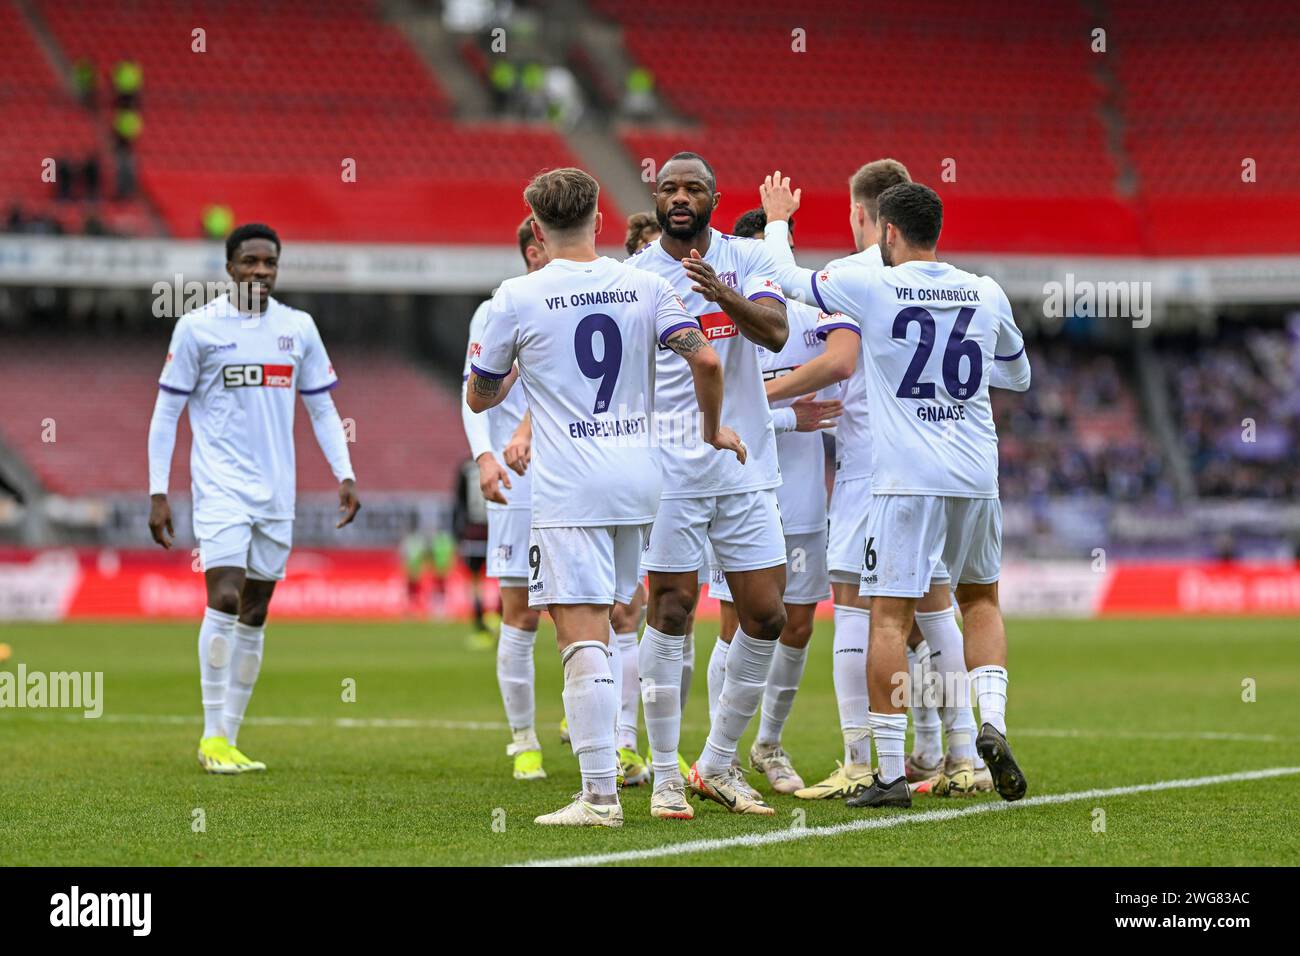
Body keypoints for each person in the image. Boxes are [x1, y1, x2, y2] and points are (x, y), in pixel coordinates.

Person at [466, 167, 738, 826]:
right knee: (627, 621)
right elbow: (705, 359)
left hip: (572, 485)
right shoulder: (644, 284)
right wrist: (711, 428)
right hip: (641, 480)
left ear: (537, 227)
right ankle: (651, 766)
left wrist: (508, 384)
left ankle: (598, 796)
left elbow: (479, 393)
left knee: (579, 632)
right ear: (599, 222)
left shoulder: (515, 296)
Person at [761, 166, 994, 798]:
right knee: (939, 605)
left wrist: (762, 399)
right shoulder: (947, 282)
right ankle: (962, 752)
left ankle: (863, 761)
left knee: (860, 611)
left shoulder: (860, 279)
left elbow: (835, 353)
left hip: (875, 471)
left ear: (865, 217)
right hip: (945, 468)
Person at [806, 182, 1031, 808]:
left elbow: (802, 286)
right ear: (938, 231)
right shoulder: (985, 290)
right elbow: (1019, 373)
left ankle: (886, 775)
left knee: (888, 617)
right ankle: (992, 725)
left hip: (906, 478)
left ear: (887, 232)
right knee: (980, 601)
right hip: (977, 475)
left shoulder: (872, 285)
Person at [147, 223, 360, 774]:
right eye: (250, 262)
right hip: (219, 489)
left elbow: (321, 409)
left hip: (276, 494)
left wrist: (346, 473)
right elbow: (167, 412)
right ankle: (212, 735)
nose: (260, 271)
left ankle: (229, 738)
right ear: (229, 268)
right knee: (223, 598)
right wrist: (158, 490)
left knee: (256, 610)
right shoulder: (197, 329)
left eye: (270, 263)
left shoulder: (299, 328)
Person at [626, 152, 791, 817]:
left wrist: (721, 291)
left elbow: (777, 333)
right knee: (670, 611)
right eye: (669, 188)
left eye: (694, 187)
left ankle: (718, 762)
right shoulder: (634, 277)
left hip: (746, 466)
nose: (681, 197)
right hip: (670, 471)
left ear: (716, 197)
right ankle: (666, 774)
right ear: (657, 199)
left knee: (767, 614)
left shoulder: (749, 259)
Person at [704, 208, 842, 794]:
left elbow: (839, 374)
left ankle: (769, 743)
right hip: (741, 487)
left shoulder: (812, 318)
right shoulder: (722, 320)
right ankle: (721, 753)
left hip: (806, 495)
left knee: (799, 625)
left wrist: (769, 400)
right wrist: (786, 412)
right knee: (737, 624)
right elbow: (720, 402)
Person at [460, 217, 549, 777]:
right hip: (519, 487)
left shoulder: (588, 296)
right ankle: (524, 740)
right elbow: (468, 391)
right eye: (544, 244)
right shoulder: (500, 308)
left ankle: (611, 738)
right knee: (520, 615)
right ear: (530, 250)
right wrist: (486, 457)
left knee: (607, 610)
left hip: (580, 479)